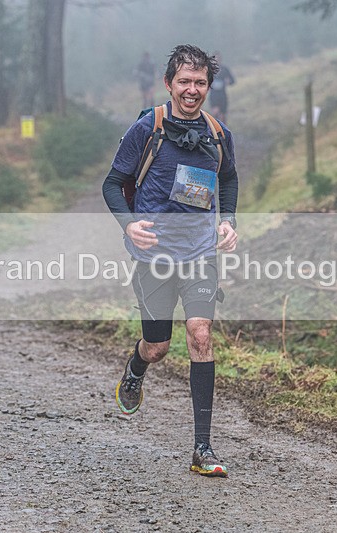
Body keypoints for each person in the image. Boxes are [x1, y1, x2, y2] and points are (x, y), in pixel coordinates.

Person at [102, 44, 239, 478]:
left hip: (200, 254)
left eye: (200, 82)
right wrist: (128, 225)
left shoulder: (218, 133)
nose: (192, 90)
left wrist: (228, 220)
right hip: (155, 256)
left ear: (208, 86)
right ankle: (137, 366)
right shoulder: (148, 128)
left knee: (200, 334)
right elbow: (112, 184)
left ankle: (203, 448)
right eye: (184, 81)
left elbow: (229, 178)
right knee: (158, 346)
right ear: (168, 84)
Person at [209, 52, 235, 123]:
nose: (217, 60)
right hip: (214, 94)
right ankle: (214, 127)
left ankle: (223, 128)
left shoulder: (225, 69)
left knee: (223, 115)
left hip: (222, 94)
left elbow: (232, 81)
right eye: (216, 58)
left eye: (219, 58)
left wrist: (228, 81)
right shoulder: (210, 70)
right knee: (215, 112)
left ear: (221, 59)